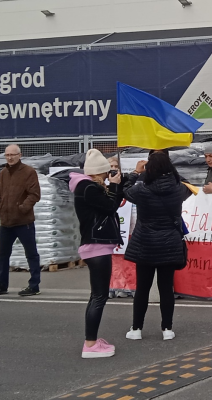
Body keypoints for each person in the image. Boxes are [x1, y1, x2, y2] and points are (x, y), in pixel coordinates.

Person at [123, 151, 191, 342]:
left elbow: (126, 190)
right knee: (166, 288)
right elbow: (186, 182)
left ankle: (136, 328)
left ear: (149, 168)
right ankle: (167, 329)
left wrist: (136, 173)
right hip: (170, 243)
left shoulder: (141, 190)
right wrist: (169, 167)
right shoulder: (179, 189)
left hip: (145, 243)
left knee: (142, 288)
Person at [70, 149, 125, 359]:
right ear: (98, 172)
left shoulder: (87, 187)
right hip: (96, 246)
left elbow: (108, 205)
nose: (107, 175)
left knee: (97, 296)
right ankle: (90, 344)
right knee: (99, 296)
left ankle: (91, 341)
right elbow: (110, 206)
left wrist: (117, 184)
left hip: (95, 246)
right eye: (105, 172)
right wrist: (116, 186)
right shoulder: (88, 188)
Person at [0, 144, 42, 297]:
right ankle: (1, 284)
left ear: (20, 155)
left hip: (23, 221)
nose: (10, 158)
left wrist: (23, 208)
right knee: (3, 255)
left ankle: (34, 285)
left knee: (31, 253)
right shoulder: (3, 173)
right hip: (6, 221)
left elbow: (34, 194)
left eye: (13, 155)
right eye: (7, 155)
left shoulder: (28, 172)